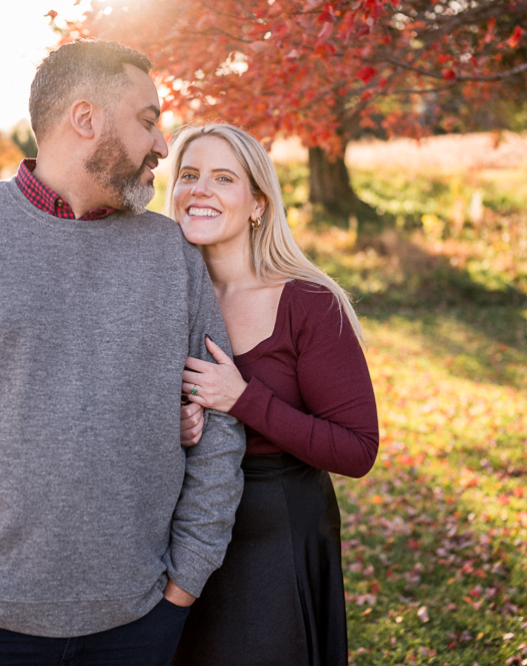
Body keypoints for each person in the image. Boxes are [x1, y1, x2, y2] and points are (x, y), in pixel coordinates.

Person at [0, 40, 245, 666]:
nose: (163, 144)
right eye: (147, 119)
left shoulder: (172, 257)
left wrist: (183, 583)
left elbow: (219, 419)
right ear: (85, 120)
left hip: (140, 623)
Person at [166, 124, 379, 666]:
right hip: (176, 529)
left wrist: (243, 399)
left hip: (275, 532)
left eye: (223, 177)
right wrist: (174, 426)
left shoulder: (308, 302)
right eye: (188, 175)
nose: (201, 190)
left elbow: (357, 450)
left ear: (258, 203)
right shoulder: (163, 296)